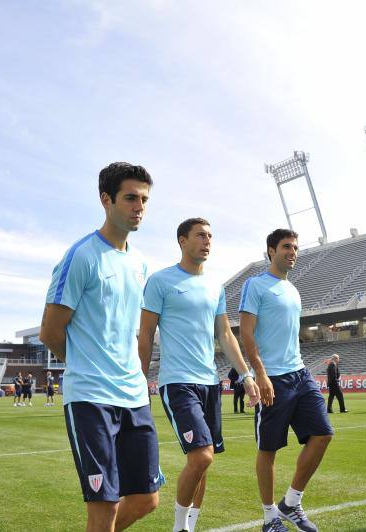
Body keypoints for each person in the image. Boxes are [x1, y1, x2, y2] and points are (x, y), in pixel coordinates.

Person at [39, 162, 160, 531]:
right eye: (130, 198)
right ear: (105, 200)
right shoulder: (81, 256)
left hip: (134, 395)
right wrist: (87, 365)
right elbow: (50, 331)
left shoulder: (140, 263)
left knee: (145, 499)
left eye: (144, 199)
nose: (139, 206)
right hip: (91, 396)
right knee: (104, 505)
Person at [139, 217, 259, 532]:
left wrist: (246, 376)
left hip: (210, 383)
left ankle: (190, 526)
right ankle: (179, 528)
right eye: (200, 235)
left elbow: (225, 335)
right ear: (182, 240)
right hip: (177, 382)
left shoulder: (214, 287)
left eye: (210, 236)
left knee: (204, 462)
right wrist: (139, 380)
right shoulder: (160, 281)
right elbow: (146, 333)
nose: (207, 241)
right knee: (202, 457)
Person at [240, 229, 333, 532]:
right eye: (286, 247)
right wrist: (261, 374)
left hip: (300, 374)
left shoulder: (294, 290)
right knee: (268, 450)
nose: (292, 252)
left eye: (295, 247)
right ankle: (269, 519)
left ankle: (291, 503)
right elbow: (246, 333)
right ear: (271, 251)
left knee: (322, 435)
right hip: (273, 379)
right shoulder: (256, 285)